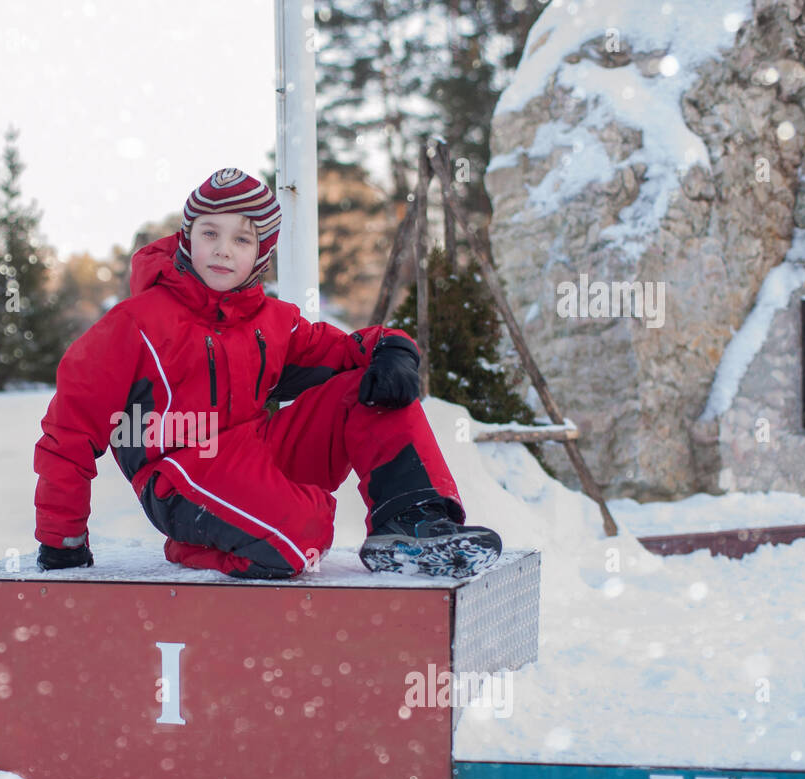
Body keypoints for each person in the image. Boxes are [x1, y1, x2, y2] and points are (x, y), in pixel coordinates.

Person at [33, 167, 501, 579]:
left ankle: (412, 524)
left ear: (262, 251)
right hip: (181, 475)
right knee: (302, 538)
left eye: (242, 238)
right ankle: (200, 545)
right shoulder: (134, 325)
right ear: (186, 237)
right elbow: (68, 433)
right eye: (209, 233)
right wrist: (63, 540)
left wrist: (394, 347)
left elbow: (346, 352)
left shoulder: (273, 321)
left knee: (373, 389)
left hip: (257, 454)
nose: (222, 250)